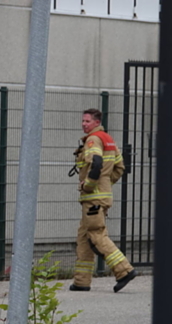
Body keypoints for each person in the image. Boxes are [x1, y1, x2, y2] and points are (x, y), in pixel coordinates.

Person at [70, 108, 137, 292]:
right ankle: (81, 281)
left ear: (97, 122)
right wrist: (106, 183)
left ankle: (124, 270)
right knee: (84, 237)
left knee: (97, 234)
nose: (84, 124)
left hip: (93, 198)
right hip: (102, 196)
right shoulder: (108, 139)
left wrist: (89, 185)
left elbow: (96, 163)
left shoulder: (93, 140)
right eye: (83, 121)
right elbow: (119, 167)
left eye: (87, 121)